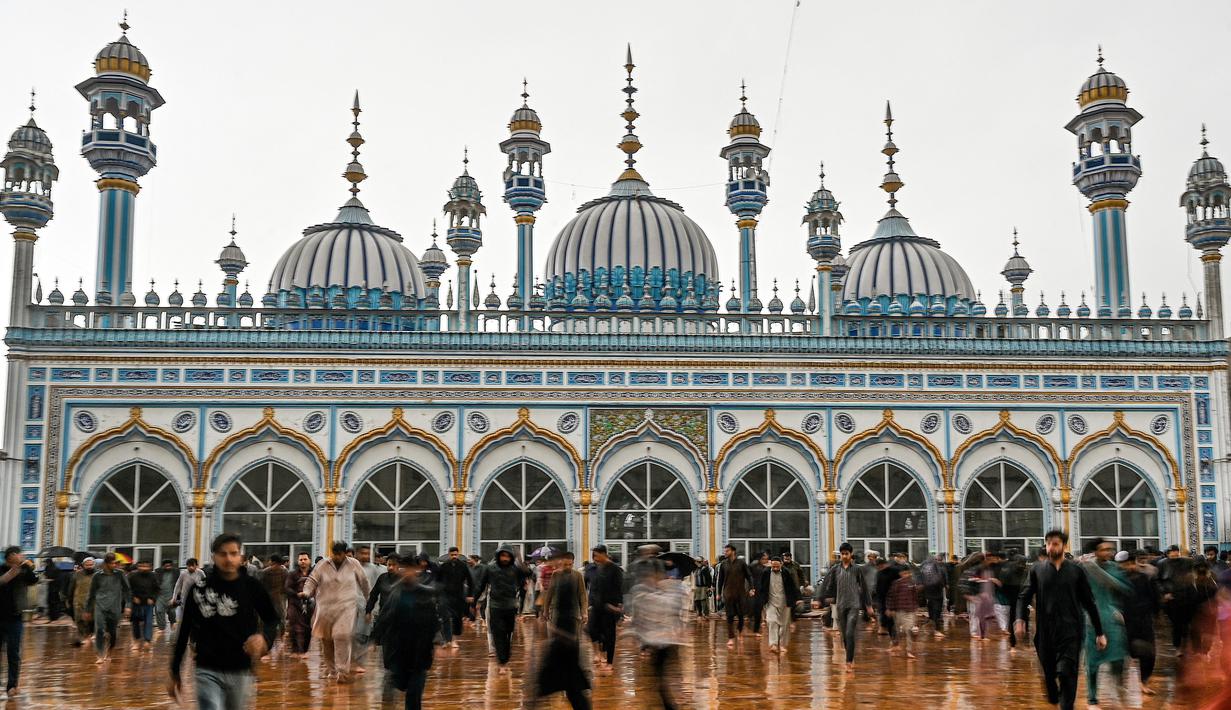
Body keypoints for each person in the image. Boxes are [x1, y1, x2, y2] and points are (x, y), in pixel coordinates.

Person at [168, 533, 280, 710]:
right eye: (223, 554)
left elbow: (272, 619)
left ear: (241, 557)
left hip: (241, 669)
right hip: (207, 668)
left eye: (233, 553)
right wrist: (175, 671)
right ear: (213, 557)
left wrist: (265, 639)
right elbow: (184, 631)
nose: (228, 558)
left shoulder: (252, 586)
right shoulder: (199, 590)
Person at [1016, 529, 1107, 710]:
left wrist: (1099, 632)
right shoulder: (1037, 570)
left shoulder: (1076, 571)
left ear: (1064, 546)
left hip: (1071, 630)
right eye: (1048, 543)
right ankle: (1052, 692)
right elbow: (1023, 596)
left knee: (1067, 672)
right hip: (1045, 632)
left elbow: (1089, 602)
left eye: (1055, 543)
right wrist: (1019, 619)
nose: (1051, 547)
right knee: (1050, 675)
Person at [372, 554, 439, 710]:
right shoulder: (395, 592)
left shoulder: (426, 592)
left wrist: (440, 640)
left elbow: (435, 618)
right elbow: (385, 616)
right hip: (398, 649)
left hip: (420, 651)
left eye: (410, 569)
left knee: (414, 695)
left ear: (416, 570)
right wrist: (374, 638)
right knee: (397, 683)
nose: (406, 573)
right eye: (403, 569)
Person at [301, 541, 371, 683]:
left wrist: (369, 604)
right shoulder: (323, 565)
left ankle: (342, 672)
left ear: (345, 553)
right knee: (327, 641)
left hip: (346, 608)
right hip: (325, 609)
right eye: (334, 554)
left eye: (339, 554)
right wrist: (306, 592)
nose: (336, 557)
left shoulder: (354, 564)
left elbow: (364, 583)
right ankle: (332, 670)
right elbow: (312, 580)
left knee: (341, 636)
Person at [534, 551, 591, 710]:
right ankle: (563, 677)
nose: (566, 567)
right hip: (557, 615)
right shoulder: (556, 575)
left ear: (572, 563)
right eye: (564, 564)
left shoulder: (577, 576)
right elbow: (549, 593)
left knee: (573, 643)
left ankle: (572, 676)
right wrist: (545, 611)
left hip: (573, 615)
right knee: (557, 643)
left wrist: (584, 612)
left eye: (569, 564)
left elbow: (582, 594)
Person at [630, 563, 687, 710]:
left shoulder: (664, 591)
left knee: (660, 677)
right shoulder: (649, 592)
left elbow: (671, 609)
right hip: (658, 642)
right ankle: (667, 704)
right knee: (658, 677)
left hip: (665, 643)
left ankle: (669, 705)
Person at [1080, 539, 1130, 706]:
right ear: (1095, 551)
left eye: (1111, 549)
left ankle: (1118, 685)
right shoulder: (1083, 569)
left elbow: (1122, 587)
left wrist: (1116, 608)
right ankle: (1092, 699)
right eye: (1105, 549)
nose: (1109, 552)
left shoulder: (1113, 568)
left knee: (1118, 658)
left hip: (1111, 619)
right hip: (1090, 620)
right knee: (1092, 663)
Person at [475, 546, 531, 673]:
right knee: (498, 633)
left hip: (510, 606)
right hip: (495, 606)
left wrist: (520, 560)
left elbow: (528, 573)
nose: (505, 558)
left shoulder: (515, 569)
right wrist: (474, 601)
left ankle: (505, 659)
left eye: (507, 556)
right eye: (502, 556)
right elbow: (481, 585)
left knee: (508, 634)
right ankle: (502, 663)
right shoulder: (490, 569)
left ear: (511, 557)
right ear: (498, 556)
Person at [819, 543, 873, 673]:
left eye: (846, 554)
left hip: (854, 605)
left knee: (850, 632)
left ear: (851, 554)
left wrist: (868, 605)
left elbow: (864, 588)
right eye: (842, 554)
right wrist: (822, 598)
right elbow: (828, 584)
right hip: (840, 606)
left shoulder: (857, 570)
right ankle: (849, 655)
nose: (844, 556)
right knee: (844, 635)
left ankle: (849, 661)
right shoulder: (835, 569)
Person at [1118, 550, 1158, 696]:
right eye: (1125, 564)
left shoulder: (1145, 578)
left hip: (1144, 622)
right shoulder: (1117, 580)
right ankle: (1120, 683)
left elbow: (1154, 597)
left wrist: (1155, 614)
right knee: (1122, 654)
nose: (1129, 566)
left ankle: (1144, 682)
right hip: (1124, 623)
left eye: (1131, 563)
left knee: (1149, 653)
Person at [0, 547, 37, 696]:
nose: (23, 556)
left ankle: (12, 685)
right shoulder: (1, 569)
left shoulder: (25, 569)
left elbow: (34, 580)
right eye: (20, 553)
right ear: (12, 556)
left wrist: (27, 567)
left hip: (15, 618)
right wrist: (13, 571)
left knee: (13, 652)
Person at [84, 552, 131, 664]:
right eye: (112, 563)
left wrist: (128, 606)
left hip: (115, 608)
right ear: (106, 563)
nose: (114, 565)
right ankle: (100, 655)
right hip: (100, 607)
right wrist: (88, 609)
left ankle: (109, 651)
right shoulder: (97, 576)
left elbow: (127, 590)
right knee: (99, 630)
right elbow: (91, 593)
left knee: (113, 633)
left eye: (115, 563)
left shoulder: (120, 574)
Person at [586, 545, 623, 669]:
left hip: (609, 606)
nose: (594, 558)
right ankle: (600, 652)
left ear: (603, 554)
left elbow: (619, 588)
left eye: (596, 555)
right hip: (597, 606)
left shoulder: (615, 569)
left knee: (609, 634)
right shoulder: (597, 568)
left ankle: (609, 662)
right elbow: (593, 588)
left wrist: (618, 607)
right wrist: (590, 603)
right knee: (591, 629)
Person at [757, 555, 800, 655]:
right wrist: (761, 600)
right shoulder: (766, 573)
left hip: (785, 602)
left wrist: (797, 599)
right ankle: (773, 644)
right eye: (773, 567)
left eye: (777, 566)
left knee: (784, 626)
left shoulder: (786, 573)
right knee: (771, 621)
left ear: (781, 564)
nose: (775, 568)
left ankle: (782, 645)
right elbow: (762, 587)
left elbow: (793, 587)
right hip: (771, 602)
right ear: (771, 564)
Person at [715, 543, 754, 647]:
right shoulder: (723, 564)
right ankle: (731, 637)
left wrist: (752, 588)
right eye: (725, 551)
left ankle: (740, 632)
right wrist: (718, 593)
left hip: (740, 593)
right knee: (729, 616)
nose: (725, 552)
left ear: (733, 551)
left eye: (727, 551)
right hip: (728, 593)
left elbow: (749, 576)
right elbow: (720, 580)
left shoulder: (741, 563)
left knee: (741, 615)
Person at [438, 547, 475, 649]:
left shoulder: (463, 566)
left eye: (455, 555)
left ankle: (454, 639)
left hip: (459, 595)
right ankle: (446, 640)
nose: (454, 556)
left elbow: (470, 580)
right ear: (449, 555)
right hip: (446, 595)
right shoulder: (444, 566)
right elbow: (438, 580)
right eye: (452, 555)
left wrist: (470, 595)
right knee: (445, 617)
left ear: (458, 555)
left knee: (457, 618)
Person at [886, 565, 920, 659]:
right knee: (897, 630)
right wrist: (890, 609)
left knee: (909, 630)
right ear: (901, 574)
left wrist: (916, 609)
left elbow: (915, 597)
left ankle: (909, 650)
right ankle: (895, 645)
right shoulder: (896, 583)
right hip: (898, 611)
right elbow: (891, 596)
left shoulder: (912, 583)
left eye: (907, 573)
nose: (906, 575)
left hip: (910, 610)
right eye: (904, 573)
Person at [285, 552, 314, 657]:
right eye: (301, 560)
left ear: (309, 560)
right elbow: (287, 588)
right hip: (295, 603)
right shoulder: (292, 574)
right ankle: (295, 650)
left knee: (308, 628)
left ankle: (305, 651)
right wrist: (297, 594)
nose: (303, 562)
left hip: (310, 604)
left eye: (305, 559)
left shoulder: (314, 573)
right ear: (298, 561)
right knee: (294, 627)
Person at [127, 559, 159, 651]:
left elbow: (157, 589)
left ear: (150, 567)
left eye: (146, 566)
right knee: (135, 622)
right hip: (136, 603)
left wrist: (152, 598)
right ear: (138, 566)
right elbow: (128, 589)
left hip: (148, 603)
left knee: (148, 622)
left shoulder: (153, 576)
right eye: (142, 566)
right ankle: (136, 641)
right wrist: (133, 597)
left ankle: (147, 640)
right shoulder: (132, 576)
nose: (144, 568)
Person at [66, 557, 98, 647]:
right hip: (79, 601)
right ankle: (85, 637)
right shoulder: (77, 575)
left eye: (91, 565)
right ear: (83, 565)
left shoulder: (98, 574)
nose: (89, 567)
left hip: (94, 602)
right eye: (87, 565)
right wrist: (69, 600)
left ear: (94, 565)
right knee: (80, 620)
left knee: (94, 620)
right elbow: (71, 588)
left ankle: (93, 635)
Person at [918, 553, 947, 638]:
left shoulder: (924, 568)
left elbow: (921, 580)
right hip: (937, 593)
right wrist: (944, 585)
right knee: (937, 611)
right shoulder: (938, 567)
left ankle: (932, 623)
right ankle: (936, 629)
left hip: (928, 593)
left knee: (931, 609)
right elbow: (942, 579)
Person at [170, 558, 205, 625]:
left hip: (197, 598)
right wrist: (174, 598)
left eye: (193, 565)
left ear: (196, 566)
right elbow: (178, 586)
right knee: (183, 617)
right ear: (187, 566)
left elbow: (205, 583)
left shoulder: (200, 573)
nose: (191, 567)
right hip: (185, 598)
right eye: (189, 566)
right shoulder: (183, 574)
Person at [257, 555, 288, 627]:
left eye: (270, 560)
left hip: (267, 597)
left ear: (273, 562)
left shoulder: (265, 572)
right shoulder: (285, 571)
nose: (268, 562)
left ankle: (264, 634)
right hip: (280, 598)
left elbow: (260, 585)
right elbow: (286, 585)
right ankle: (280, 634)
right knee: (281, 617)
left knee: (264, 617)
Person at [154, 560, 178, 633]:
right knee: (159, 611)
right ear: (163, 566)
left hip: (172, 595)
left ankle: (172, 621)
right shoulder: (158, 572)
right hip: (160, 596)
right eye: (166, 566)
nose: (168, 567)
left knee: (172, 611)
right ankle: (161, 627)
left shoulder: (175, 572)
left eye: (169, 565)